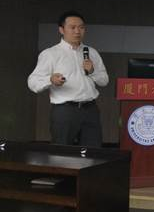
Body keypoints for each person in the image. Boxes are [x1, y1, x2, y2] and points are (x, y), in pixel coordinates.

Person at [28, 12, 108, 147]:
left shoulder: (91, 52)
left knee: (93, 151)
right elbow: (32, 82)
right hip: (64, 110)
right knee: (61, 151)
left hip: (90, 109)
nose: (77, 31)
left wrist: (92, 72)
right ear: (61, 30)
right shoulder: (50, 54)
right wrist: (50, 80)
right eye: (72, 27)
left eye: (81, 27)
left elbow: (104, 80)